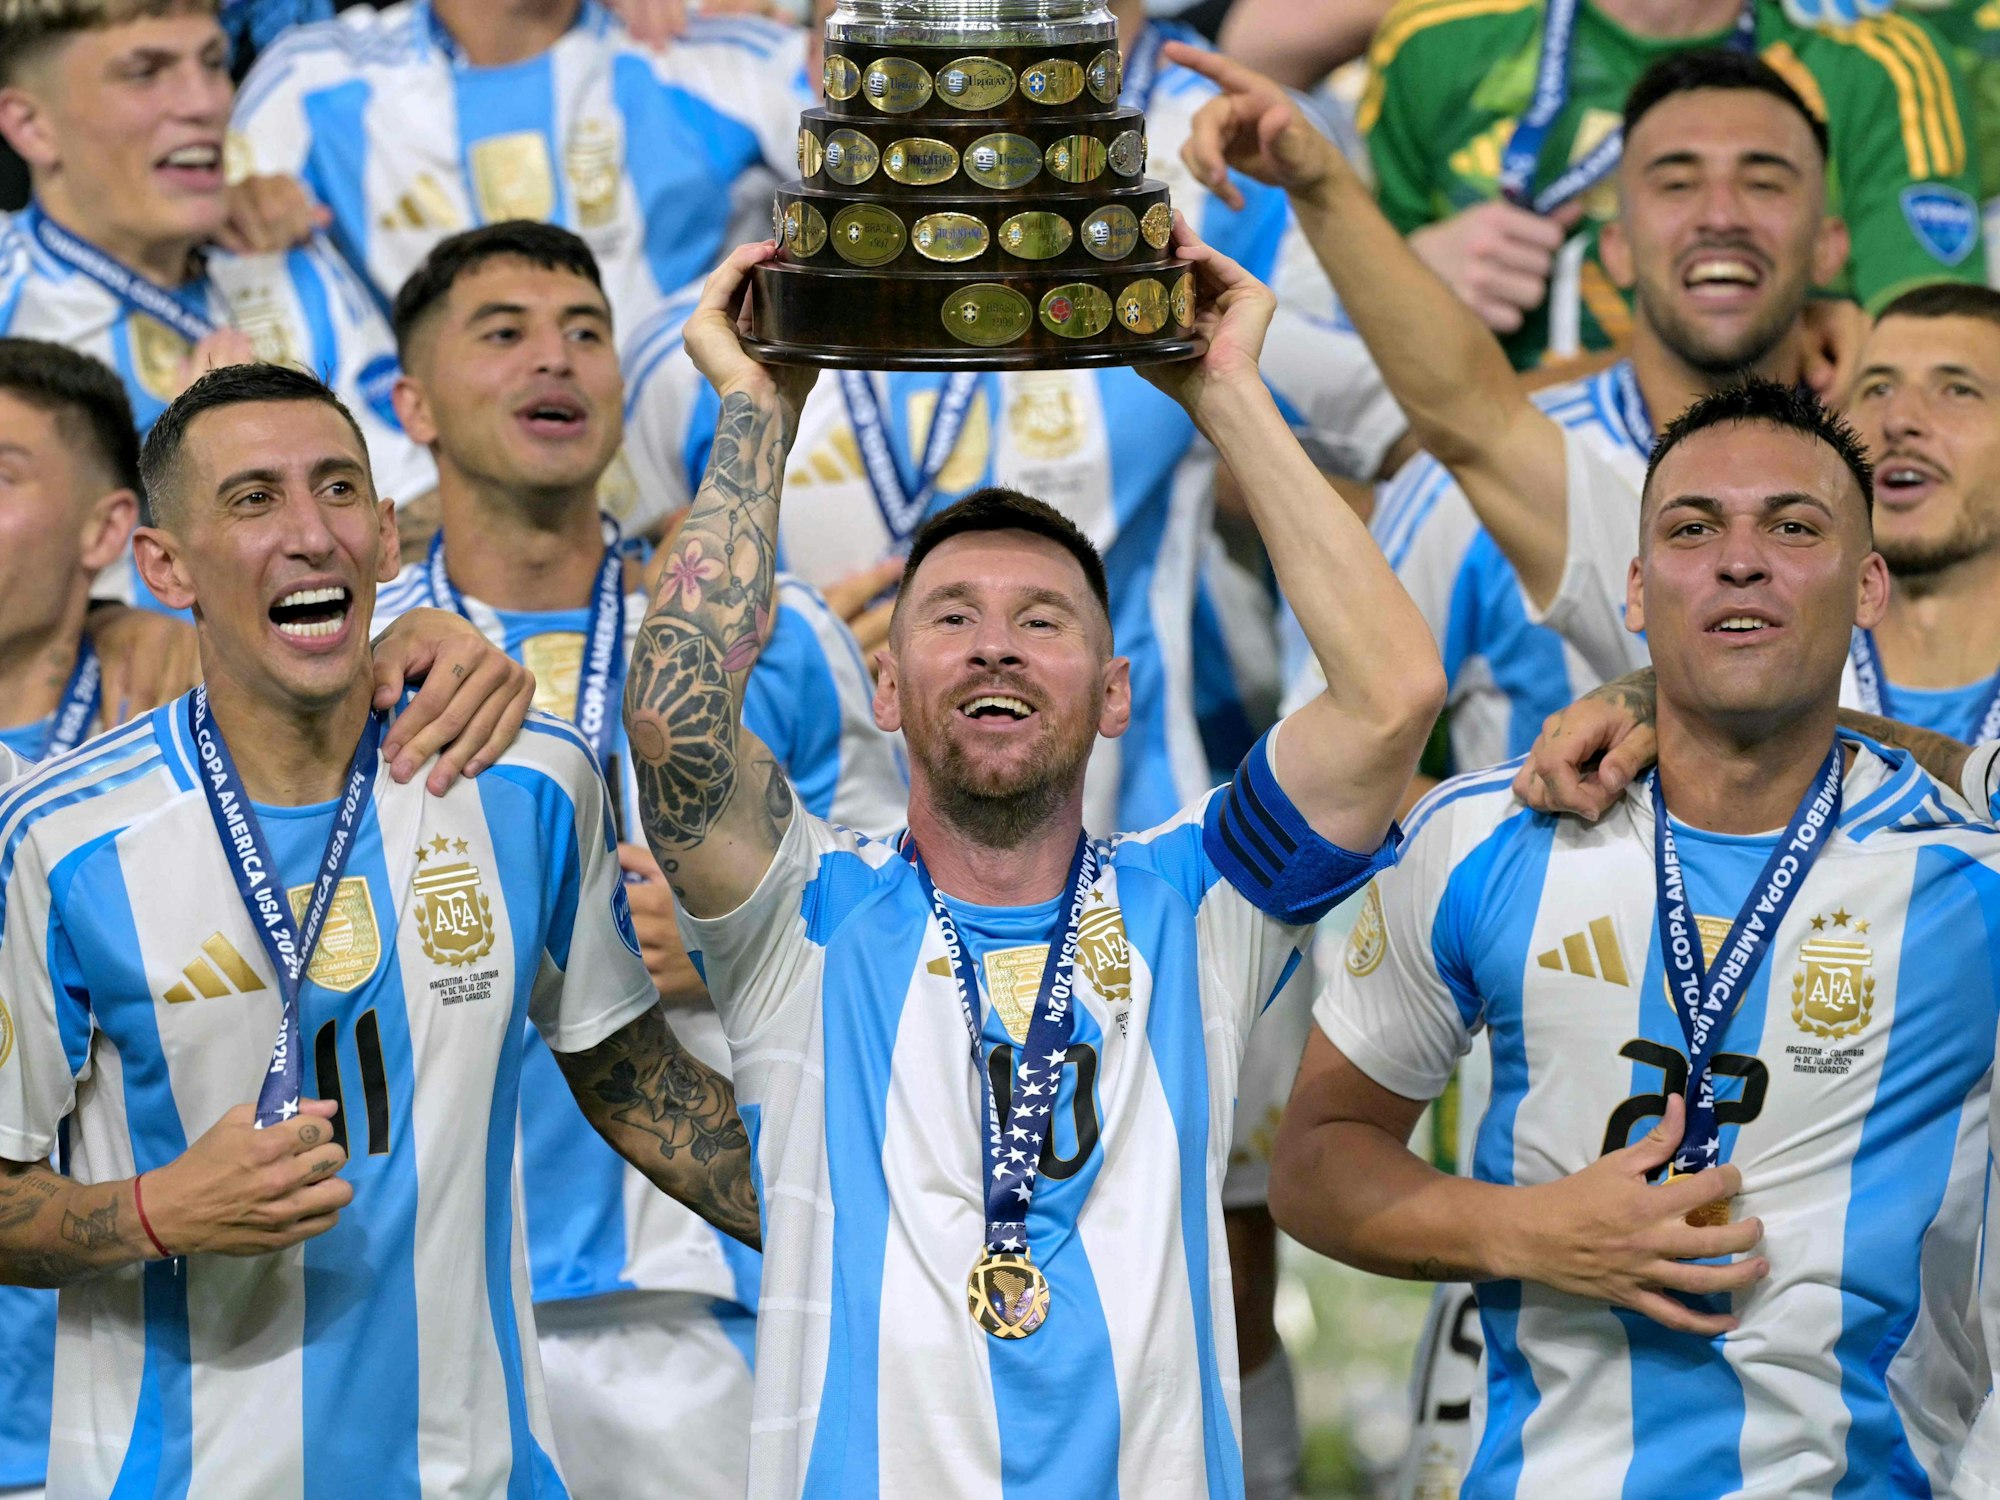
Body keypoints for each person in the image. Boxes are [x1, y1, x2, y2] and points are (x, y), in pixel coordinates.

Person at [627, 226, 1440, 1497]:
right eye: (951, 617)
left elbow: (1391, 698)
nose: (995, 647)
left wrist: (1225, 393)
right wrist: (756, 410)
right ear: (884, 689)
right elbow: (674, 723)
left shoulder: (1198, 901)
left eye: (1041, 620)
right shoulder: (802, 915)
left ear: (1114, 694)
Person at [0, 362, 758, 1497]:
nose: (310, 533)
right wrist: (158, 1211)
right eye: (254, 499)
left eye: (339, 489)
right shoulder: (61, 842)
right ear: (163, 567)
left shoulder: (530, 783)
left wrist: (885, 1225)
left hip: (477, 1475)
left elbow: (636, 1083)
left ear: (389, 535)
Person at [1278, 379, 2000, 1499]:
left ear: (1869, 586)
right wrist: (1528, 1234)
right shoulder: (1483, 839)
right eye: (1691, 530)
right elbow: (1316, 1163)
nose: (1739, 560)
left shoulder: (1971, 883)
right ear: (1633, 586)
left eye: (1792, 528)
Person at [373, 218, 905, 1499]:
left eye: (585, 332)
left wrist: (738, 940)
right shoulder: (362, 659)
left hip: (698, 1287)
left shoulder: (776, 631)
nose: (554, 359)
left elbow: (893, 927)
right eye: (502, 333)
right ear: (412, 404)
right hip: (416, 1296)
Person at [1360, 0, 1979, 372]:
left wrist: (1843, 341)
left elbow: (1935, 360)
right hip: (1489, 480)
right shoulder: (1434, 40)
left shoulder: (1871, 61)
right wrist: (1404, 281)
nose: (1721, 216)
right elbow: (1353, 380)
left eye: (1763, 183)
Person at [0, 0, 431, 507]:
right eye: (144, 74)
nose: (204, 102)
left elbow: (409, 506)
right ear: (32, 126)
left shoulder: (279, 253)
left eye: (212, 63)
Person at [226, 0, 804, 342]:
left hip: (692, 471)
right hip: (424, 488)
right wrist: (238, 213)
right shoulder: (310, 80)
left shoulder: (717, 52)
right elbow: (222, 284)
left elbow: (859, 205)